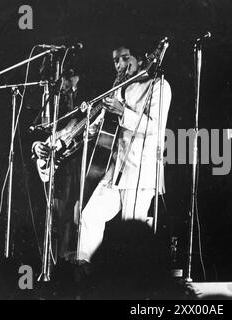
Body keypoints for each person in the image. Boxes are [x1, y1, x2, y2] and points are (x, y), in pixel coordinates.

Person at [77, 45, 171, 262]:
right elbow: (107, 126)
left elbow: (155, 127)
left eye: (125, 58)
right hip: (115, 169)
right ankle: (85, 274)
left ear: (141, 58)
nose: (119, 65)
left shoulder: (159, 86)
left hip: (140, 170)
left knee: (133, 233)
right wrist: (91, 126)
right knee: (89, 216)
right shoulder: (121, 88)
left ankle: (134, 285)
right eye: (115, 61)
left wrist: (122, 111)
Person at [32, 67, 86, 261]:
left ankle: (64, 265)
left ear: (72, 76)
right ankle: (51, 262)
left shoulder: (89, 93)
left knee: (71, 219)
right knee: (54, 217)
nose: (57, 87)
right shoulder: (52, 97)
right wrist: (36, 145)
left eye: (58, 81)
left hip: (80, 166)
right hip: (56, 165)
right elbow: (39, 130)